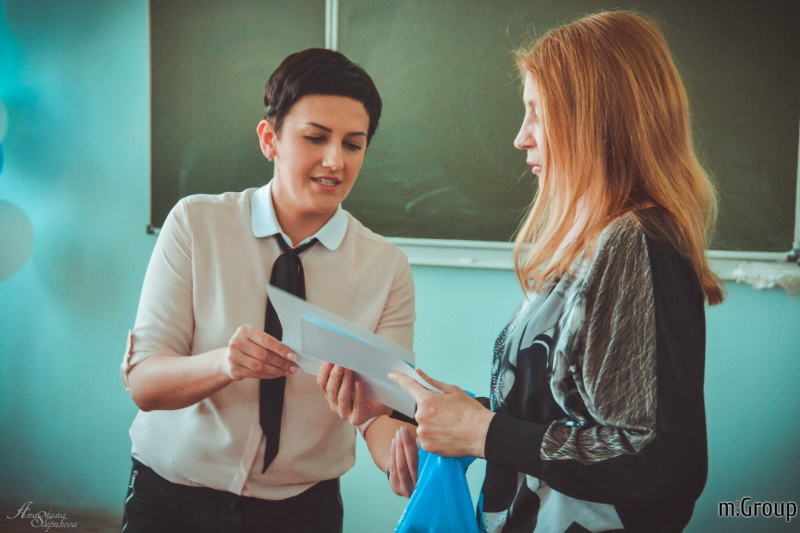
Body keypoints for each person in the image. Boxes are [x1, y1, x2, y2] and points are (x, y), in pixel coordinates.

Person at [322, 11, 724, 533]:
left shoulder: (636, 243)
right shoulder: (594, 243)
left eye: (538, 112)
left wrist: (482, 433)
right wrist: (419, 409)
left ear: (593, 119)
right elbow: (557, 416)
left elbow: (659, 463)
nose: (520, 137)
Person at [119, 48, 416, 533]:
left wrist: (402, 461)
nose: (335, 161)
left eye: (353, 144)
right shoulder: (196, 224)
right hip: (173, 495)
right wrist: (225, 363)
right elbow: (144, 385)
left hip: (302, 510)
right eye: (315, 138)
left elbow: (378, 414)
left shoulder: (387, 268)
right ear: (269, 139)